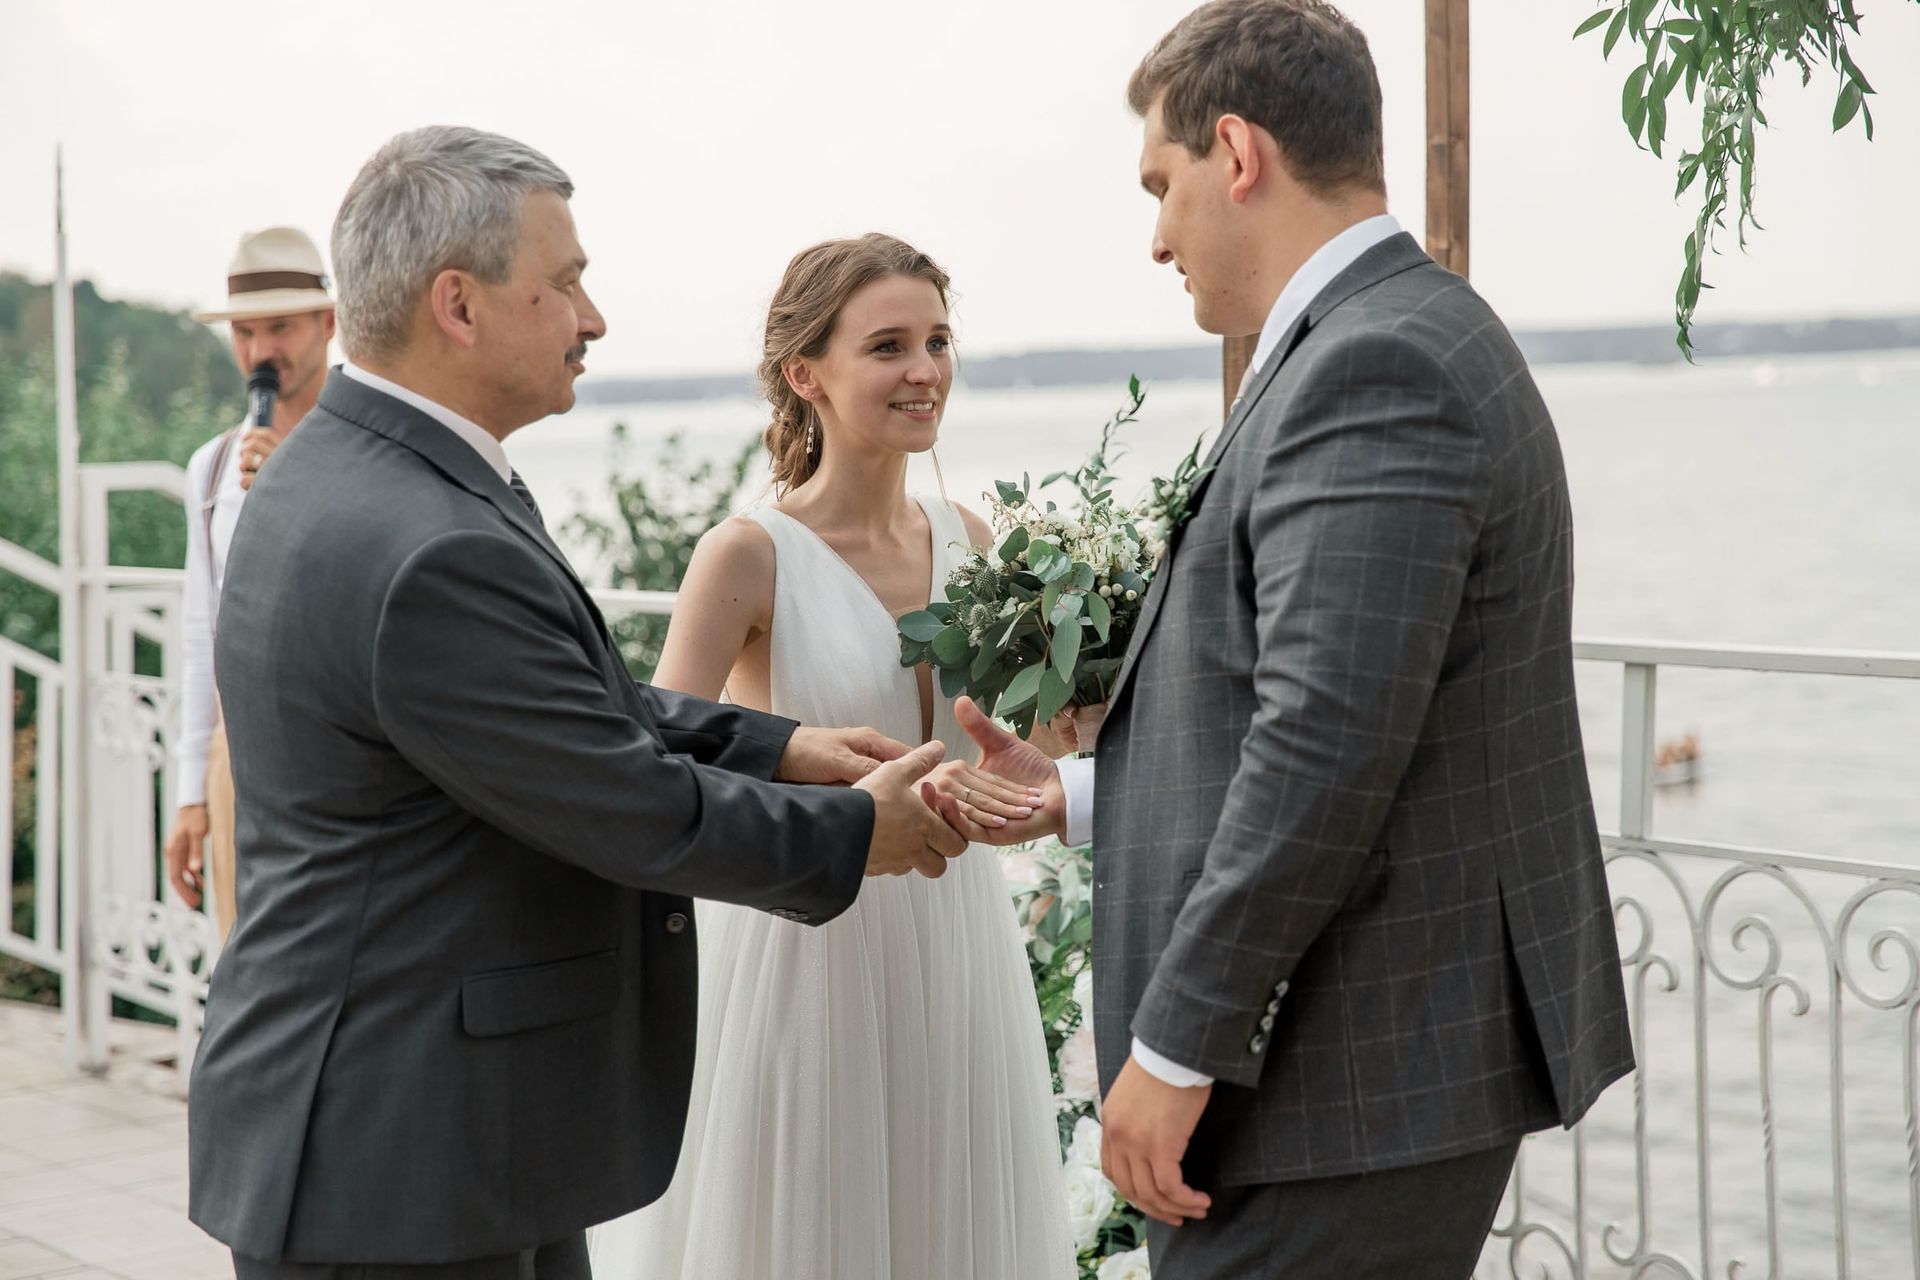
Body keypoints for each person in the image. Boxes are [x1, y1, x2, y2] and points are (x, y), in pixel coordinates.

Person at [187, 127, 973, 1280]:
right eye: (565, 285)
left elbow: (574, 707)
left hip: (436, 1123)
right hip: (404, 1151)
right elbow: (623, 803)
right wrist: (865, 832)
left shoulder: (354, 467)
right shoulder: (425, 540)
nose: (593, 318)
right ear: (458, 304)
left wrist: (785, 745)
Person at [964, 3, 1635, 1276]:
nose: (1155, 236)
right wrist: (1084, 795)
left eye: (1161, 186)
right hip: (1362, 1072)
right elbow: (1350, 716)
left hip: (1347, 1077)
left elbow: (1324, 744)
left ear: (1237, 151)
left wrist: (1174, 1045)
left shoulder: (1376, 364)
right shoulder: (1388, 334)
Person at [587, 234, 1074, 1280]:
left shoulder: (973, 537)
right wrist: (814, 778)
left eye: (938, 340)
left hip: (954, 932)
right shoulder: (748, 553)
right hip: (807, 939)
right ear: (807, 373)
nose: (925, 370)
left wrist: (1071, 722)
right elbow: (658, 759)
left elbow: (1011, 746)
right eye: (889, 345)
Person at [164, 227, 335, 940]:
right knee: (244, 967)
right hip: (242, 756)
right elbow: (203, 631)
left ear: (328, 324)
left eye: (281, 328)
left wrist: (297, 489)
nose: (262, 352)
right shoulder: (210, 469)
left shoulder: (370, 452)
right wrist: (190, 793)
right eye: (245, 332)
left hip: (343, 752)